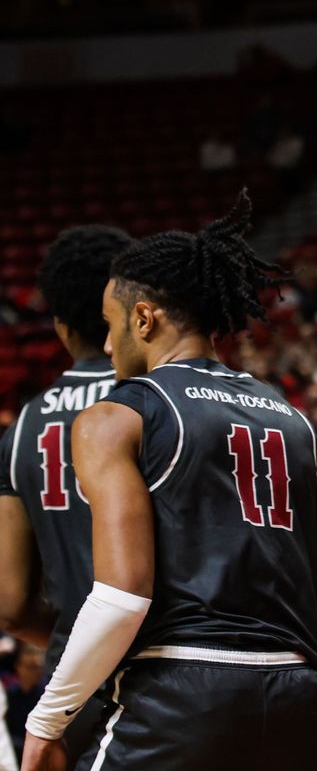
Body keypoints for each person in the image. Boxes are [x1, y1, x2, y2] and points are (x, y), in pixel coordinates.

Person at [20, 194, 317, 771]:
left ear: (144, 319)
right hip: (294, 698)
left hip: (177, 694)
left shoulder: (118, 417)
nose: (109, 346)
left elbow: (121, 597)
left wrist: (46, 721)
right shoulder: (296, 424)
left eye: (113, 327)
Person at [0, 225, 132, 764]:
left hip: (71, 691)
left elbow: (9, 605)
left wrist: (80, 641)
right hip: (167, 674)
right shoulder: (157, 402)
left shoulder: (22, 427)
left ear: (57, 324)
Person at [5, 646, 45, 760]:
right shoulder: (10, 694)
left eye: (38, 667)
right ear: (18, 667)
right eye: (31, 667)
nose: (36, 672)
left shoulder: (45, 697)